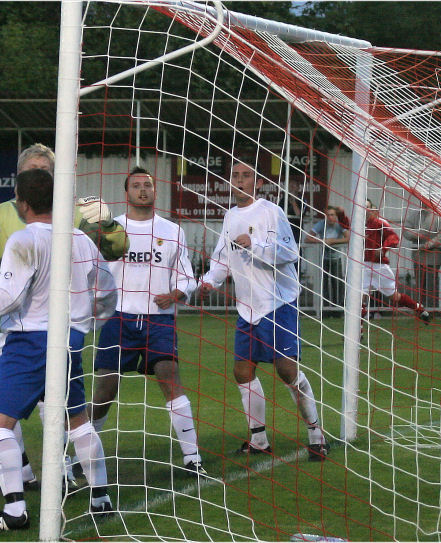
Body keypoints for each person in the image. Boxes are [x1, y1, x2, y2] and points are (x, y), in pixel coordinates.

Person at [0, 168, 118, 531]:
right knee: (77, 419)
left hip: (30, 341)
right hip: (70, 340)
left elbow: (5, 299)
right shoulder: (81, 239)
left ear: (21, 203)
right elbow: (106, 290)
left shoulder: (23, 240)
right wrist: (86, 322)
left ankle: (15, 512)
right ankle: (100, 497)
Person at [198, 160, 328, 461]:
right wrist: (207, 282)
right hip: (247, 309)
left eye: (246, 176)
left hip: (277, 303)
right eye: (235, 176)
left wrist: (254, 243)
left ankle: (316, 435)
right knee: (242, 371)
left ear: (257, 182)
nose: (240, 181)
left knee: (286, 370)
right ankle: (258, 440)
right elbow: (221, 260)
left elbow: (290, 252)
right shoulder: (230, 216)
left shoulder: (272, 211)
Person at [91, 167, 207, 477]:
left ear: (155, 192)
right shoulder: (111, 231)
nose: (143, 190)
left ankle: (192, 457)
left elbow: (187, 276)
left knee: (169, 378)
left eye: (148, 185)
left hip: (159, 320)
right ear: (126, 193)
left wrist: (177, 293)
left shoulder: (172, 231)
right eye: (136, 186)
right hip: (118, 318)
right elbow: (95, 274)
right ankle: (82, 454)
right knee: (105, 389)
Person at [361, 199, 431, 324]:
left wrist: (383, 249)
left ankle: (418, 308)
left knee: (394, 296)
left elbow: (394, 237)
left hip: (379, 266)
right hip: (362, 265)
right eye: (362, 207)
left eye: (367, 207)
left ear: (373, 210)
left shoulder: (379, 223)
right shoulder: (357, 224)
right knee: (359, 298)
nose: (364, 210)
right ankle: (358, 332)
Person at [402, 200, 441, 309]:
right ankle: (420, 308)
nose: (425, 204)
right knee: (420, 284)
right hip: (418, 255)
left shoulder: (439, 217)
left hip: (434, 257)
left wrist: (430, 243)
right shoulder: (415, 215)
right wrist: (418, 234)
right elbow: (406, 231)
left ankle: (431, 309)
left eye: (427, 202)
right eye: (422, 201)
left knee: (431, 284)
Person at [304, 206, 350, 313]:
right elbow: (307, 238)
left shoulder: (340, 224)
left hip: (336, 258)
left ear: (336, 216)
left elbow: (348, 238)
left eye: (332, 215)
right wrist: (322, 241)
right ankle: (325, 310)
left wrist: (333, 241)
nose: (330, 217)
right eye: (328, 215)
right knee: (323, 284)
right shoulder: (321, 224)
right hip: (324, 258)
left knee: (337, 284)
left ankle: (338, 309)